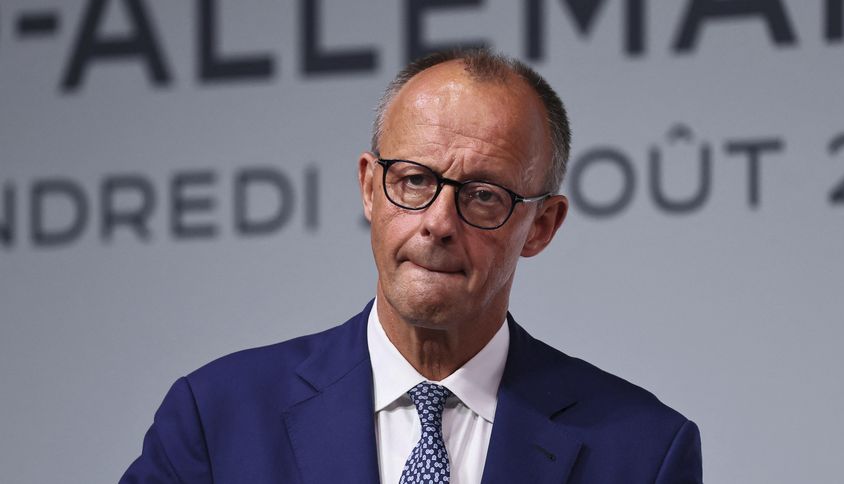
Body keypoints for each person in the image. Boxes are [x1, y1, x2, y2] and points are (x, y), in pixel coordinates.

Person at [121, 49, 702, 483]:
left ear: (541, 226)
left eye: (482, 195)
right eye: (415, 180)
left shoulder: (642, 451)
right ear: (370, 188)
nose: (438, 222)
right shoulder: (218, 418)